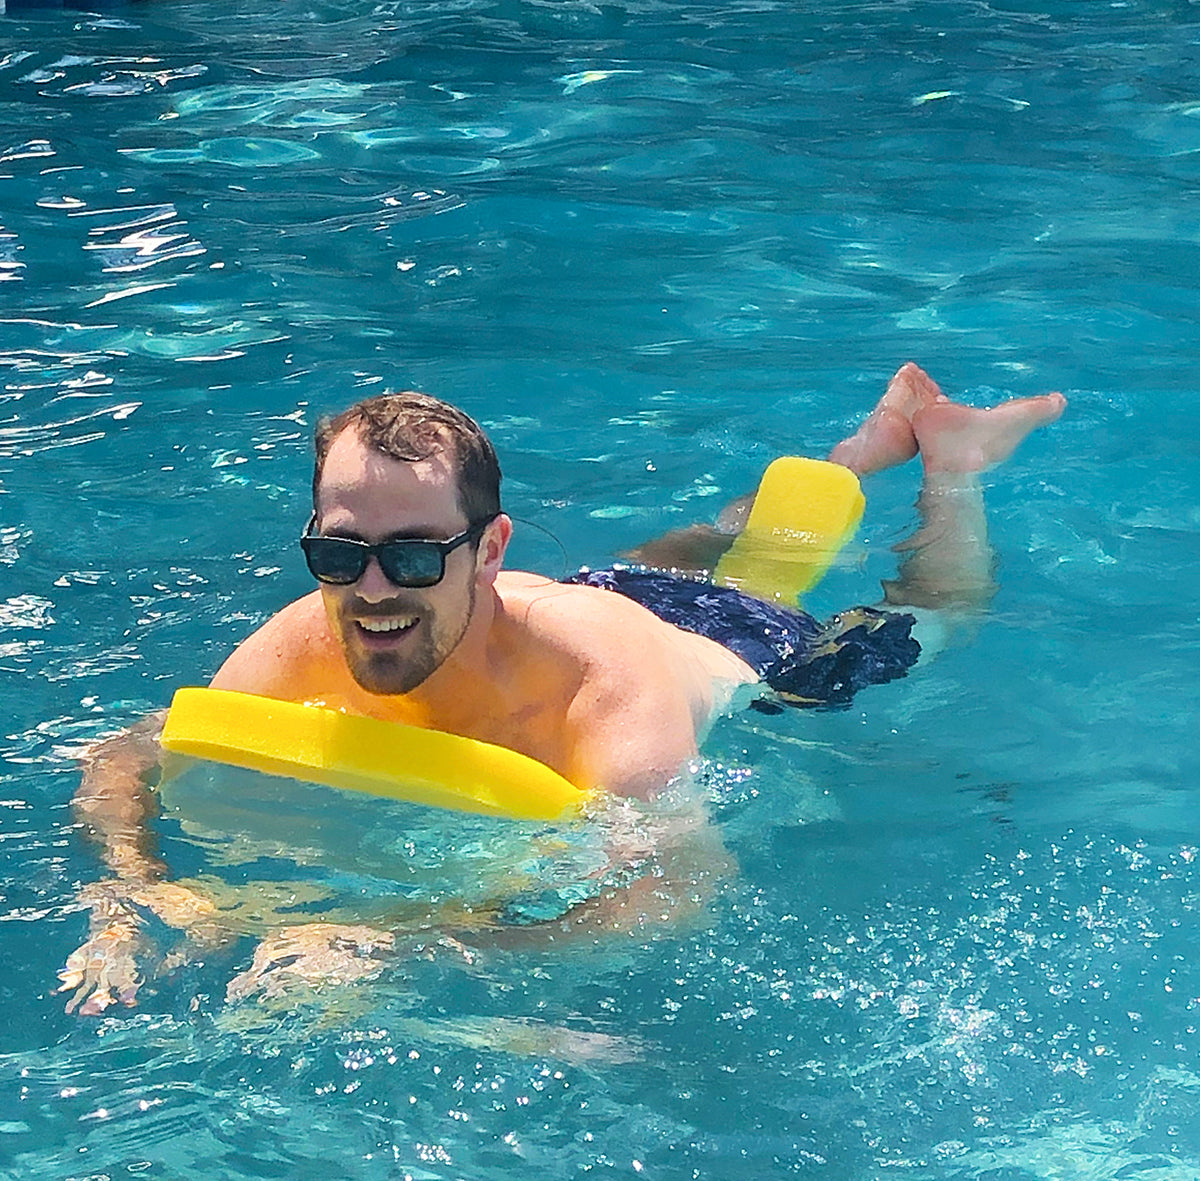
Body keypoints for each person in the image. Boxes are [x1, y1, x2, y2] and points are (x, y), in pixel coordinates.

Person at [58, 363, 1065, 1015]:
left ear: (489, 548)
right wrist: (128, 897)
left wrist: (404, 949)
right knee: (675, 556)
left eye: (410, 557)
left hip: (738, 655)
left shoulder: (604, 711)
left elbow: (678, 895)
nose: (368, 592)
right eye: (339, 552)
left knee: (929, 621)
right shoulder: (305, 637)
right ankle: (856, 454)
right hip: (584, 596)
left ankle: (955, 462)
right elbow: (126, 756)